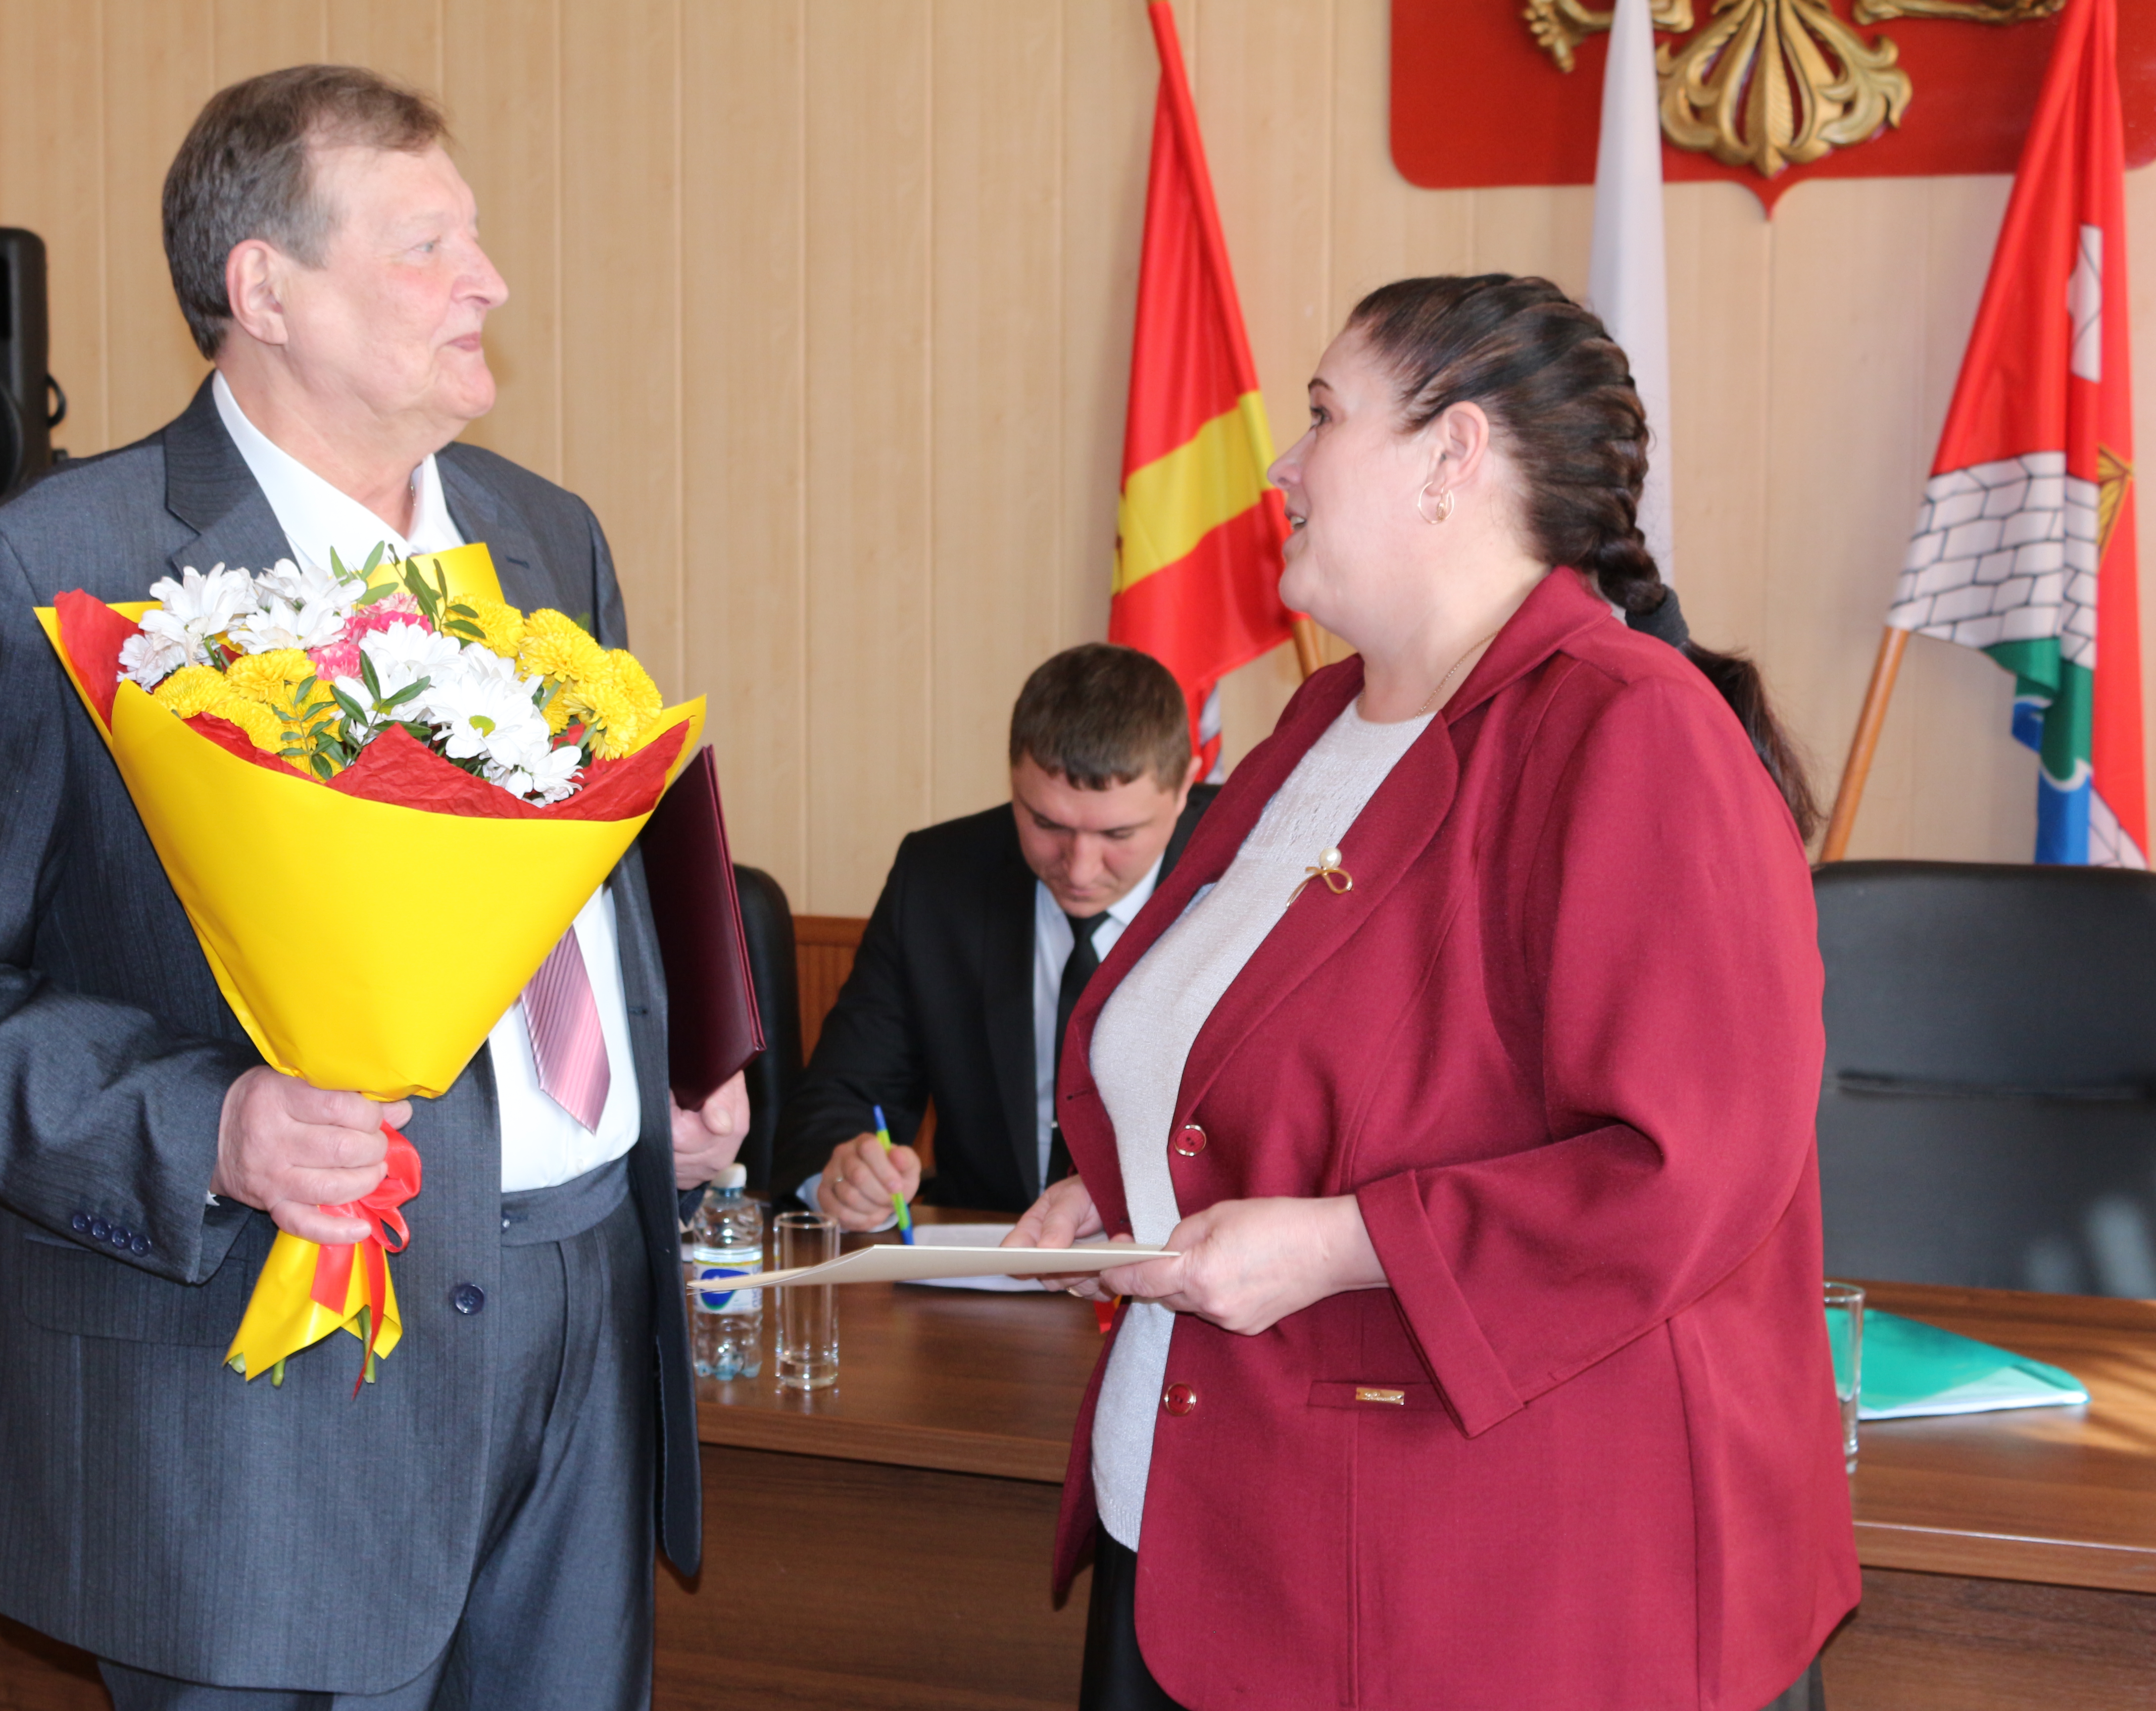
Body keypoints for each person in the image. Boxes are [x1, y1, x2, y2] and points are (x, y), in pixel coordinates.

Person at [0, 66, 746, 1711]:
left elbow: (568, 886)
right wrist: (206, 1127)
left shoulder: (546, 535)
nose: (490, 282)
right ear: (265, 289)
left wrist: (658, 1083)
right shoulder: (49, 572)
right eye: (428, 245)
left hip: (585, 1325)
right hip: (258, 1410)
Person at [1013, 275, 1858, 1711]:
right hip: (1215, 1526)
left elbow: (1686, 1169)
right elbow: (1275, 1061)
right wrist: (1129, 1180)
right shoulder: (1320, 721)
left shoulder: (1633, 730)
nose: (1283, 465)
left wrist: (1337, 1245)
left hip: (1492, 1590)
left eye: (1323, 416)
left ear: (1453, 456)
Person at [771, 644, 1217, 1226]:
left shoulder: (1248, 879)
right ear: (1013, 779)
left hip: (1183, 1254)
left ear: (1184, 788)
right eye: (1047, 823)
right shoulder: (938, 879)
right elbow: (843, 1098)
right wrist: (846, 1175)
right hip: (991, 1258)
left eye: (1118, 834)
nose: (1080, 869)